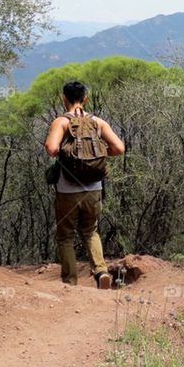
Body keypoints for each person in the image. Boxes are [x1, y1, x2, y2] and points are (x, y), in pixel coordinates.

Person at [44, 81, 125, 288]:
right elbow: (119, 148)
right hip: (94, 188)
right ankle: (101, 272)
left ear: (64, 99)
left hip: (67, 190)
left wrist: (67, 154)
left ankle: (70, 282)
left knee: (65, 237)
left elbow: (52, 148)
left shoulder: (62, 122)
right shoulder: (98, 122)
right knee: (90, 231)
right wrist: (95, 154)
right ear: (85, 99)